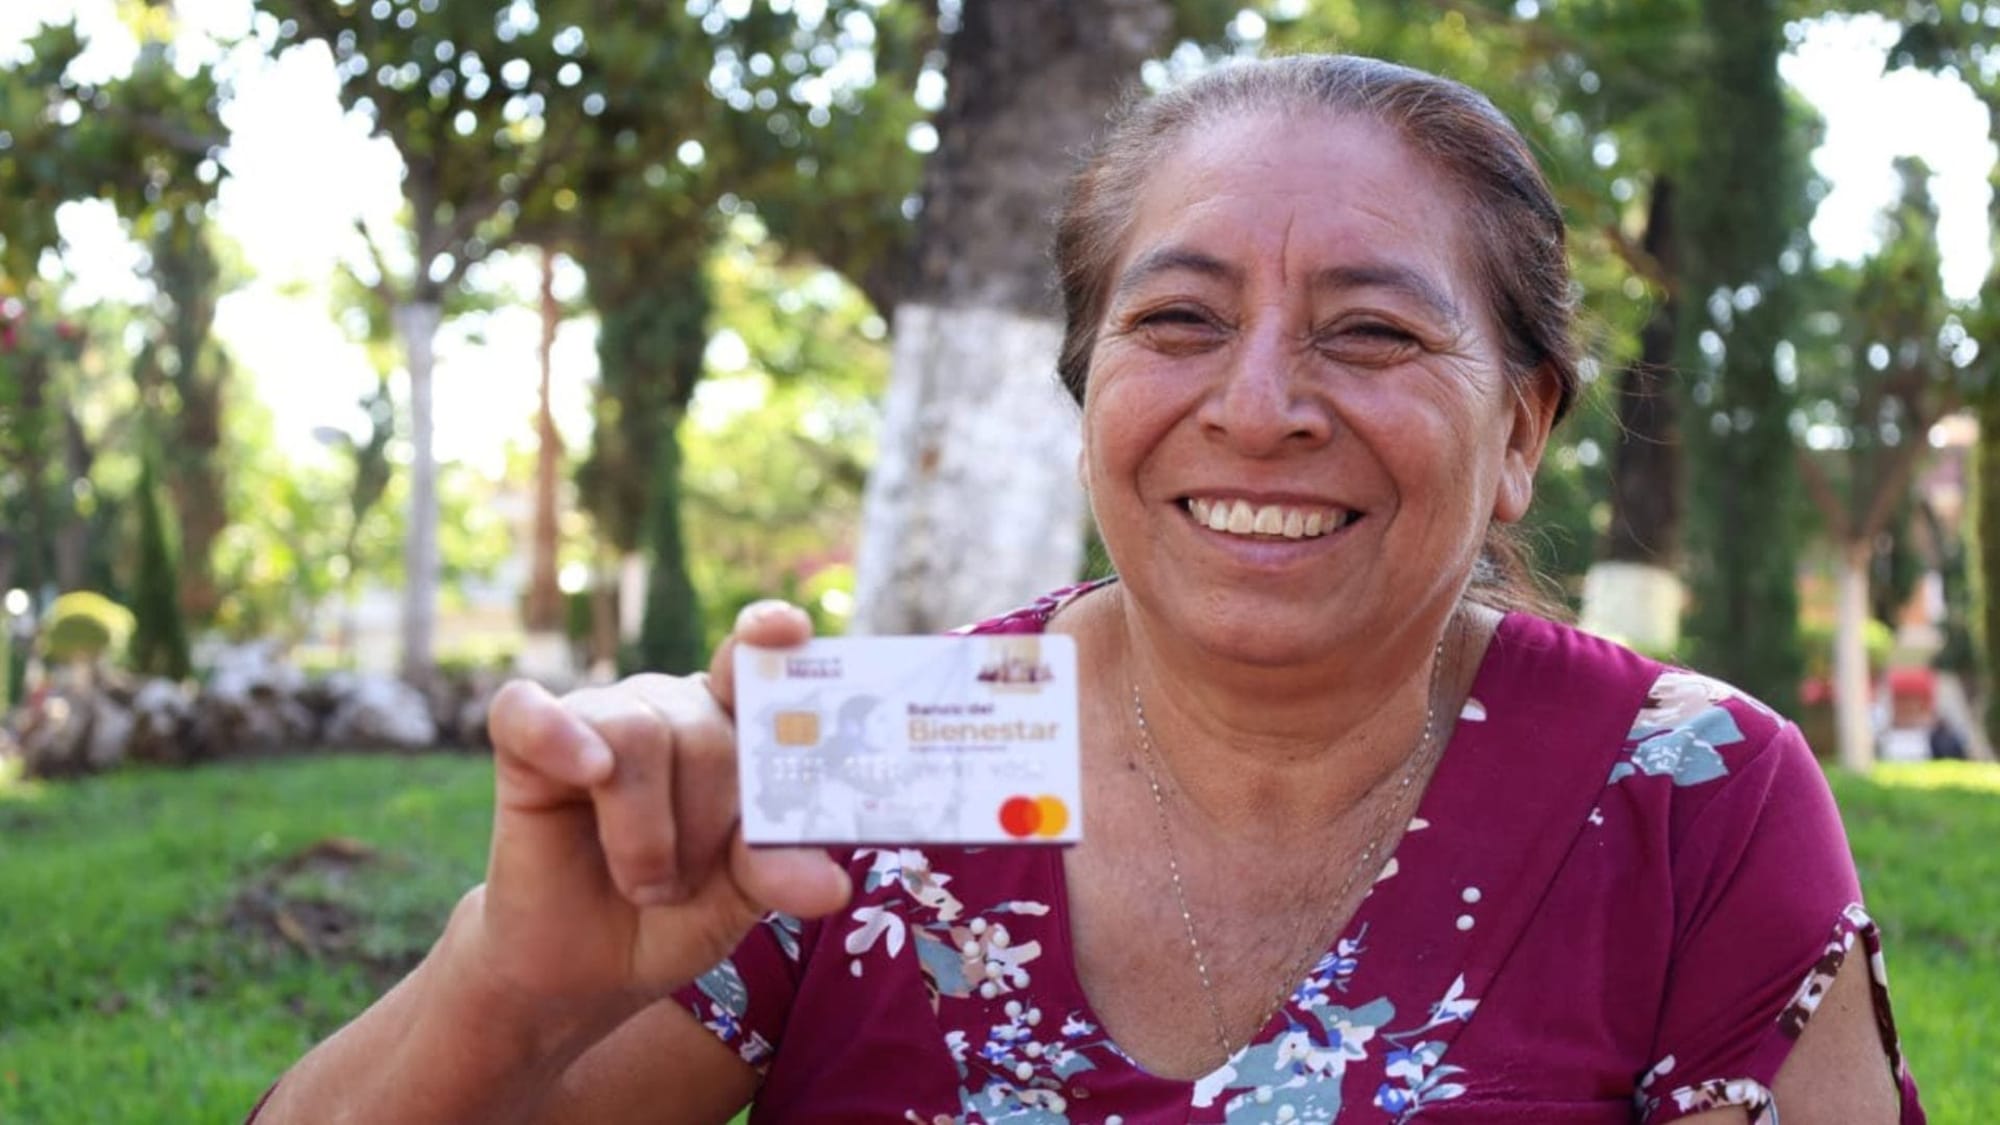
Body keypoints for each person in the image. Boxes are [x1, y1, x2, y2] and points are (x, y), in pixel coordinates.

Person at [251, 55, 1925, 1123]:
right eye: (1179, 321)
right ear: (1090, 396)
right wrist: (517, 987)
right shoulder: (875, 766)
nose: (1258, 405)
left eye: (1371, 331)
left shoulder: (1692, 793)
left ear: (1519, 433)